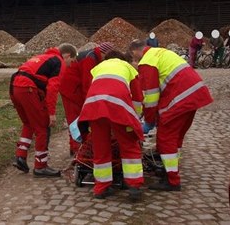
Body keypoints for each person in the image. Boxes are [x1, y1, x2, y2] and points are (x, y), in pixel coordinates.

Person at [128, 40, 213, 191]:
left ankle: (172, 180)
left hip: (180, 98)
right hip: (193, 94)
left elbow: (151, 96)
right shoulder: (160, 52)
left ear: (134, 52)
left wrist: (148, 121)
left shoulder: (147, 62)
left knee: (166, 138)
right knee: (176, 137)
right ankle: (170, 170)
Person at [77, 51, 144, 200]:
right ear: (122, 59)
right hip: (118, 107)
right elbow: (138, 98)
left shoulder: (98, 68)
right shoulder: (129, 68)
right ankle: (134, 186)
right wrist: (136, 117)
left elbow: (91, 89)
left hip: (94, 107)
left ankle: (101, 188)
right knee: (129, 144)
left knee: (100, 147)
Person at [10, 45, 75, 177]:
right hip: (28, 88)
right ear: (67, 56)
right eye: (72, 61)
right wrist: (51, 113)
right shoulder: (59, 62)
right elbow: (52, 89)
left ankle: (20, 156)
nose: (70, 65)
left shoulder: (44, 57)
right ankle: (41, 165)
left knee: (28, 123)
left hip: (15, 86)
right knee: (43, 127)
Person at [58, 42, 115, 155]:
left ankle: (79, 146)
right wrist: (89, 103)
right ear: (104, 53)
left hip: (74, 88)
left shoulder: (93, 56)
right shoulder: (90, 59)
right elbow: (87, 83)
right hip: (71, 89)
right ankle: (76, 149)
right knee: (75, 119)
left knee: (79, 118)